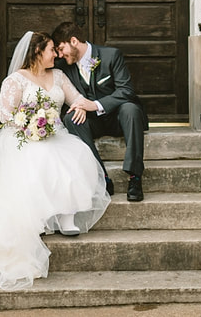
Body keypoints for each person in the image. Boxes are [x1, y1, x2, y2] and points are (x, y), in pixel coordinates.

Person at [0, 31, 111, 291]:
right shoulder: (15, 80)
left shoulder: (59, 76)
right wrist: (30, 126)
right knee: (39, 159)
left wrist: (81, 108)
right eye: (52, 50)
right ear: (38, 51)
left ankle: (67, 216)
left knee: (74, 154)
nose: (56, 55)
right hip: (22, 136)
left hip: (53, 133)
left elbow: (75, 100)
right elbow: (6, 116)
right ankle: (38, 217)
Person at [51, 21, 148, 202]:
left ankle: (135, 177)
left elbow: (126, 91)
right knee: (71, 118)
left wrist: (95, 105)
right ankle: (101, 177)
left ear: (73, 41)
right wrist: (80, 106)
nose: (59, 54)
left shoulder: (111, 55)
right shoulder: (63, 67)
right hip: (91, 122)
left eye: (61, 48)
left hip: (118, 118)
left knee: (131, 108)